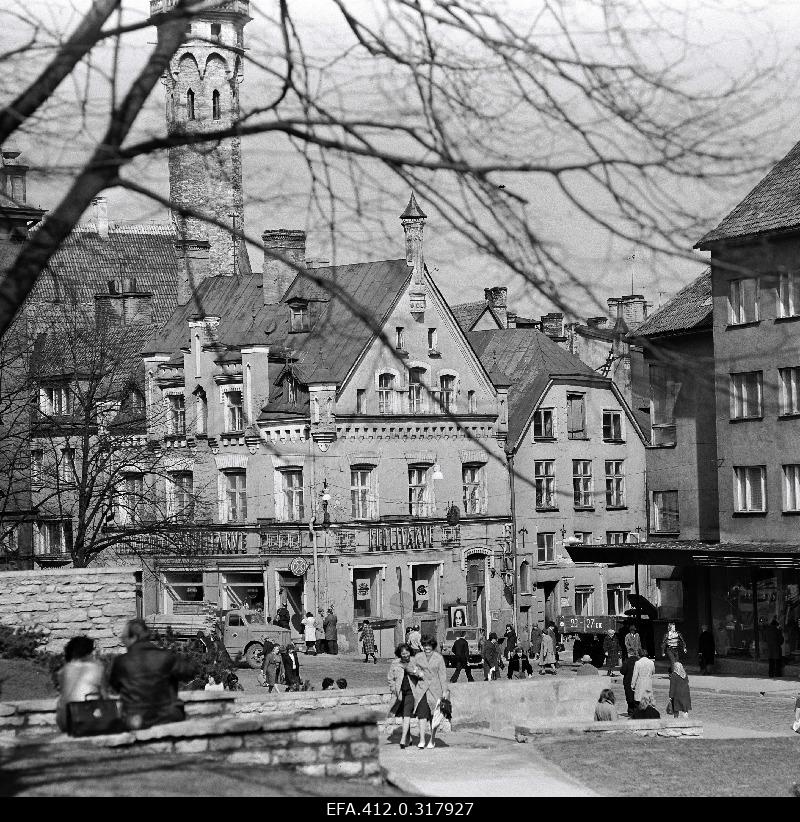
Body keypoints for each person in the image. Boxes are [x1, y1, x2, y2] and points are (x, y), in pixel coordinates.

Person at [109, 618, 193, 730]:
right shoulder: (166, 657)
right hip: (167, 716)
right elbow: (189, 673)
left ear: (133, 637)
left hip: (135, 719)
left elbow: (115, 687)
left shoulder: (121, 661)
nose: (123, 642)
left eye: (124, 638)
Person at [56, 635, 106, 733]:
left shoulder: (62, 671)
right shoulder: (98, 668)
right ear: (88, 652)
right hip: (90, 719)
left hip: (67, 721)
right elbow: (104, 695)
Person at [387, 643, 426, 748]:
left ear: (410, 652)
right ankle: (409, 738)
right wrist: (394, 690)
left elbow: (422, 674)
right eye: (403, 653)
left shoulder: (414, 661)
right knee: (404, 714)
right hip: (399, 693)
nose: (405, 655)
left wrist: (413, 671)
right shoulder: (395, 663)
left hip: (411, 691)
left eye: (407, 652)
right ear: (399, 654)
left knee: (406, 714)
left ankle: (403, 739)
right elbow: (390, 679)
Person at [414, 635, 450, 749]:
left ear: (432, 645)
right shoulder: (418, 656)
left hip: (435, 690)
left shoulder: (439, 658)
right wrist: (417, 672)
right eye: (424, 645)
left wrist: (445, 690)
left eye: (429, 645)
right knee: (422, 714)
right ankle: (422, 740)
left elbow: (443, 675)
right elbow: (413, 668)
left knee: (434, 716)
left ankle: (432, 739)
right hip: (422, 689)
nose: (427, 647)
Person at [620, 650, 638, 716]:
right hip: (637, 681)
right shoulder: (638, 661)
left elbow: (622, 671)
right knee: (636, 696)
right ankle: (637, 710)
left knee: (629, 696)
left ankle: (631, 711)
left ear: (629, 654)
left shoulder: (626, 661)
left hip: (628, 681)